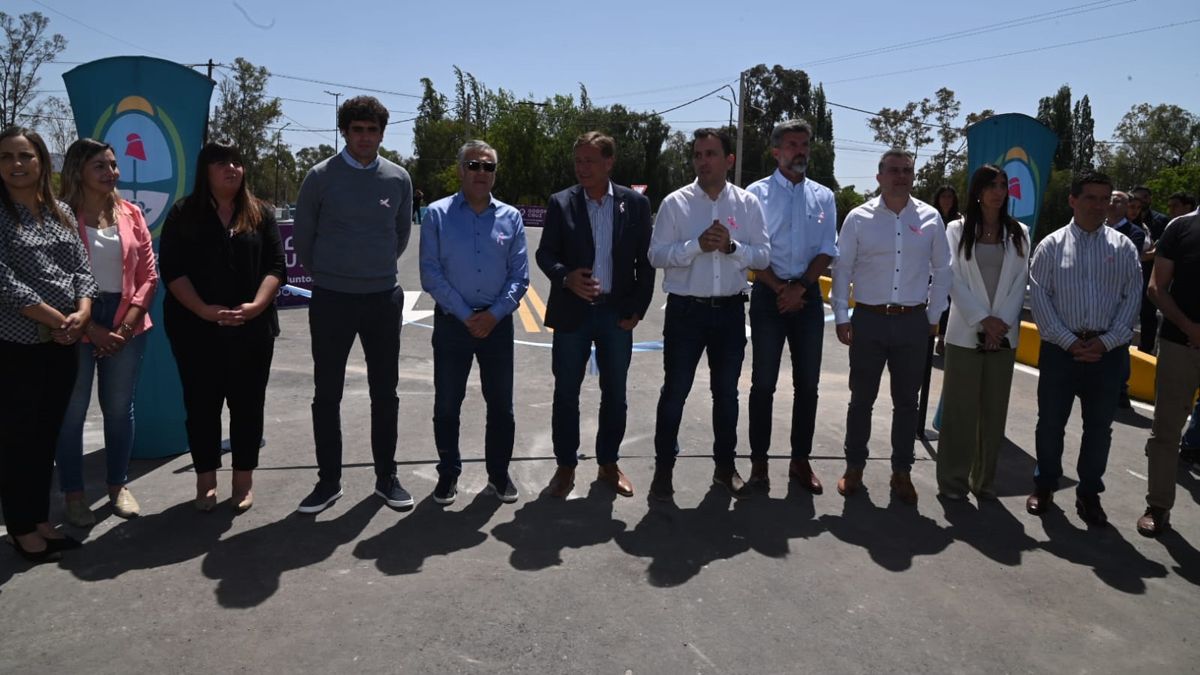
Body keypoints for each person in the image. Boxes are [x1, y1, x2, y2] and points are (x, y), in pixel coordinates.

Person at [293, 96, 414, 514]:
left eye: (372, 130)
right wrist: (335, 274)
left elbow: (400, 236)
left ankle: (386, 477)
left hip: (383, 298)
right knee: (327, 394)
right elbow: (304, 239)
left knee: (386, 393)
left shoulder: (398, 178)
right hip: (332, 299)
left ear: (382, 134)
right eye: (357, 130)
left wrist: (372, 270)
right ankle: (329, 481)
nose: (365, 137)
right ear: (344, 131)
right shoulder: (319, 177)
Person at [159, 141, 284, 513]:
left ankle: (243, 481)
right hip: (196, 330)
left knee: (248, 406)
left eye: (236, 162)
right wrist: (203, 310)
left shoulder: (260, 212)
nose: (231, 168)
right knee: (202, 407)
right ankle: (206, 481)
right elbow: (172, 270)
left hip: (252, 330)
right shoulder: (183, 213)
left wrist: (257, 305)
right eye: (220, 162)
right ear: (205, 171)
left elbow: (276, 266)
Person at [647, 128, 770, 502]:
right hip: (685, 312)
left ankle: (724, 468)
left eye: (711, 154)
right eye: (698, 154)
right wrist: (694, 246)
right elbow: (656, 255)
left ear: (729, 160)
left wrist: (732, 248)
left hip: (730, 312)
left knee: (727, 396)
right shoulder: (675, 203)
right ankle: (663, 469)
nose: (703, 161)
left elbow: (763, 256)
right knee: (675, 393)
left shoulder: (747, 204)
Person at [536, 132, 654, 499]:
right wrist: (565, 277)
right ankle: (565, 466)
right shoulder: (561, 203)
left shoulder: (635, 204)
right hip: (572, 314)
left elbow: (645, 263)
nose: (582, 168)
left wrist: (637, 309)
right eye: (578, 161)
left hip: (615, 315)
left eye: (590, 161)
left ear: (609, 162)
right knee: (566, 393)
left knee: (615, 394)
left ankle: (608, 464)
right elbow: (545, 253)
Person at [830, 149, 951, 505]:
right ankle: (854, 467)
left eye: (907, 171)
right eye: (894, 170)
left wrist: (932, 317)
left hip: (912, 322)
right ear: (879, 176)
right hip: (868, 320)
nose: (901, 177)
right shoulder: (859, 218)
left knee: (907, 403)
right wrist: (841, 315)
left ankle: (902, 472)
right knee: (861, 400)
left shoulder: (930, 218)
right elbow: (843, 268)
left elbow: (943, 270)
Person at [0, 127, 98, 562]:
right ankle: (21, 528)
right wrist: (60, 320)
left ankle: (39, 519)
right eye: (6, 157)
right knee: (17, 439)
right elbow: (5, 282)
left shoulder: (60, 211)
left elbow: (81, 269)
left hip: (63, 344)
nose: (16, 164)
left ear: (41, 161)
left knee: (44, 437)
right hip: (17, 346)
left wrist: (83, 313)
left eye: (25, 155)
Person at [1026, 170, 1142, 526]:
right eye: (1090, 197)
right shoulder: (1051, 246)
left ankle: (1089, 492)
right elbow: (1040, 299)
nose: (1098, 205)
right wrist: (1070, 341)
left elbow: (1132, 299)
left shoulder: (1124, 248)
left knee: (1099, 429)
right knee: (1050, 424)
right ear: (1073, 200)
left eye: (1105, 199)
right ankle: (1045, 484)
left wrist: (1105, 342)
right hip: (1060, 352)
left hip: (1108, 354)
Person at [54, 138, 158, 526]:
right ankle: (74, 495)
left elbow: (149, 276)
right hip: (74, 319)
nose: (111, 172)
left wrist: (126, 327)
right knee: (71, 413)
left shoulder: (131, 212)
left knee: (118, 409)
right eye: (100, 165)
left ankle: (118, 486)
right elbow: (55, 281)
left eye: (113, 164)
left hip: (126, 318)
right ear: (78, 170)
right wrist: (93, 329)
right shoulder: (59, 216)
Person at [420, 140, 529, 505]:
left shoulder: (511, 217)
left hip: (497, 326)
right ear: (460, 170)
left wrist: (494, 314)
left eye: (488, 167)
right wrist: (468, 316)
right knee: (447, 405)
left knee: (501, 407)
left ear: (495, 173)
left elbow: (520, 276)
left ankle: (498, 474)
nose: (481, 172)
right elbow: (431, 274)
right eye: (473, 165)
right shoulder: (437, 215)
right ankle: (448, 473)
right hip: (454, 324)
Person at [745, 119, 837, 494]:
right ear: (775, 151)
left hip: (808, 297)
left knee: (808, 385)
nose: (800, 151)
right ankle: (759, 462)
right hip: (768, 296)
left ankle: (800, 460)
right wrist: (779, 287)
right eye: (792, 144)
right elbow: (751, 250)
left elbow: (827, 249)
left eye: (804, 144)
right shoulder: (755, 194)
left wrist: (799, 288)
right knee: (763, 383)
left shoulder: (823, 196)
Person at [936, 165, 1030, 501]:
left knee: (993, 412)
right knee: (959, 411)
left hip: (1003, 336)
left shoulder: (1020, 232)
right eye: (991, 185)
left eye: (1003, 185)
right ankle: (953, 482)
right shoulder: (955, 230)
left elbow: (1020, 282)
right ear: (978, 191)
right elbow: (951, 278)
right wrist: (982, 319)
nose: (998, 191)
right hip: (965, 333)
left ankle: (984, 481)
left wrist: (998, 324)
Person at [1137, 207, 1200, 536]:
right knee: (1166, 431)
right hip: (1179, 344)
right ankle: (1158, 506)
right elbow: (1156, 287)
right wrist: (1191, 328)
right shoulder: (1181, 228)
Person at [1129, 186, 1169, 354]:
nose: (1136, 209)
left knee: (1148, 313)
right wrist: (1146, 255)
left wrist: (1150, 255)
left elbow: (1160, 248)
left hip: (1148, 274)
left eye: (1142, 201)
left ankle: (1145, 350)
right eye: (1133, 205)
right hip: (1127, 276)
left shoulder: (1157, 222)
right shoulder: (1120, 225)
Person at [931, 185, 961, 356]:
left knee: (947, 306)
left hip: (951, 270)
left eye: (950, 196)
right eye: (943, 196)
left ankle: (942, 340)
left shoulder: (959, 221)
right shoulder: (931, 218)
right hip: (931, 269)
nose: (947, 200)